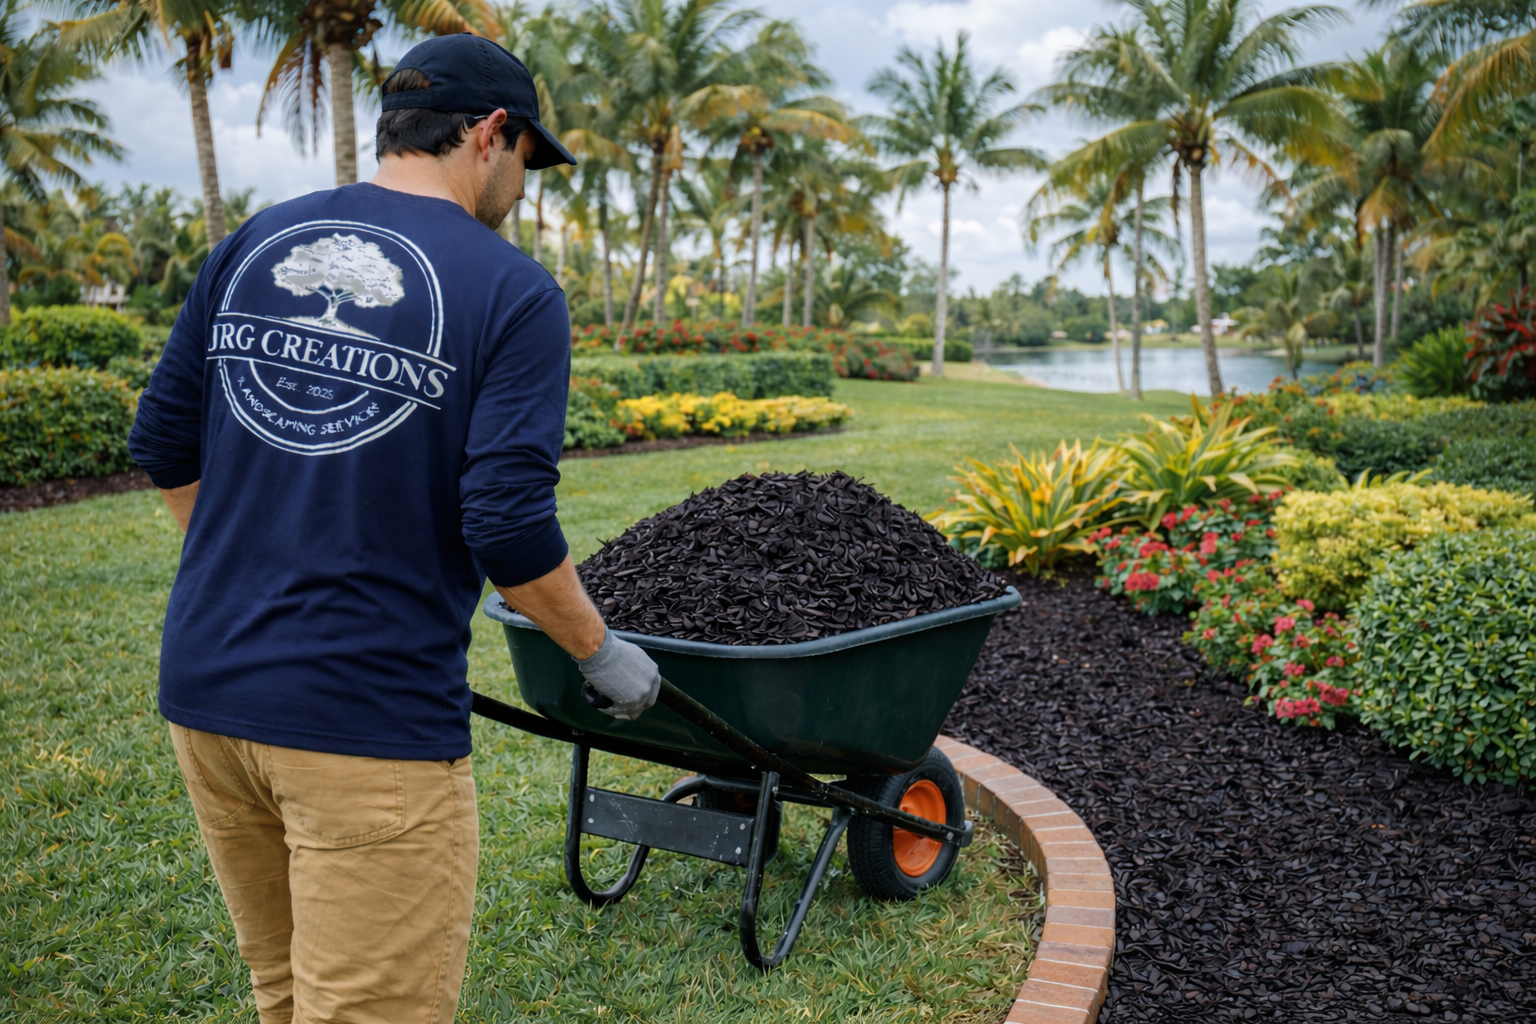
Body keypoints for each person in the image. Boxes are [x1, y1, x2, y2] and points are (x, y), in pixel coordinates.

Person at [127, 33, 659, 1024]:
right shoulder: (512, 292)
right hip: (365, 726)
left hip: (207, 696)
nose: (522, 189)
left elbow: (162, 440)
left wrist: (251, 563)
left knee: (286, 996)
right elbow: (504, 523)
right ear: (490, 134)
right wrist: (599, 648)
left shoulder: (258, 241)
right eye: (527, 162)